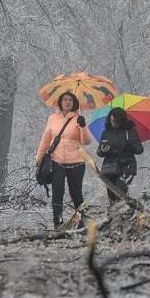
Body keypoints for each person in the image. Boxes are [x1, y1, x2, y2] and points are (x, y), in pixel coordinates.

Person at [35, 92, 94, 228]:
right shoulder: (52, 118)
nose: (67, 102)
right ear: (60, 102)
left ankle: (82, 222)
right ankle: (58, 222)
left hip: (77, 162)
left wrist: (83, 126)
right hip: (57, 161)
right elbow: (46, 140)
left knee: (76, 193)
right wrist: (39, 158)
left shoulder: (78, 119)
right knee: (57, 191)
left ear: (74, 104)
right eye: (65, 100)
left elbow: (87, 141)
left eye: (70, 100)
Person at [96, 107, 143, 205]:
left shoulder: (130, 131)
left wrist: (129, 144)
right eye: (111, 120)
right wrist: (103, 150)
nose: (113, 123)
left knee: (120, 191)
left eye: (115, 121)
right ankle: (114, 216)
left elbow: (139, 149)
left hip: (127, 166)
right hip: (109, 168)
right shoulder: (106, 132)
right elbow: (99, 153)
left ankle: (124, 213)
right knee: (112, 196)